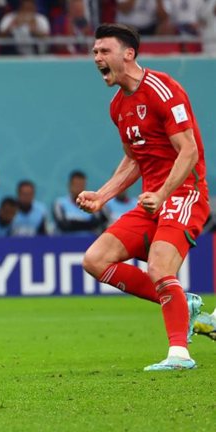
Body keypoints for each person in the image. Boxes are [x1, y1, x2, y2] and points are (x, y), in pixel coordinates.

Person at [79, 23, 215, 371]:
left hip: (184, 192)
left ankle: (179, 355)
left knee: (159, 267)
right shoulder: (117, 106)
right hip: (151, 200)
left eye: (104, 51)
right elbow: (134, 158)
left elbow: (189, 151)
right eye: (94, 52)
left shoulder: (163, 88)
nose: (97, 58)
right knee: (95, 260)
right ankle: (184, 304)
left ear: (129, 53)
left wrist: (164, 192)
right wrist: (103, 195)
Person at [53, 170, 106, 235]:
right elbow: (64, 225)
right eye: (76, 185)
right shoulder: (60, 204)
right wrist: (87, 224)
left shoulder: (91, 204)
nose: (78, 188)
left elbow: (97, 223)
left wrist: (73, 222)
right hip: (66, 242)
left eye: (81, 185)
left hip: (89, 242)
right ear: (69, 186)